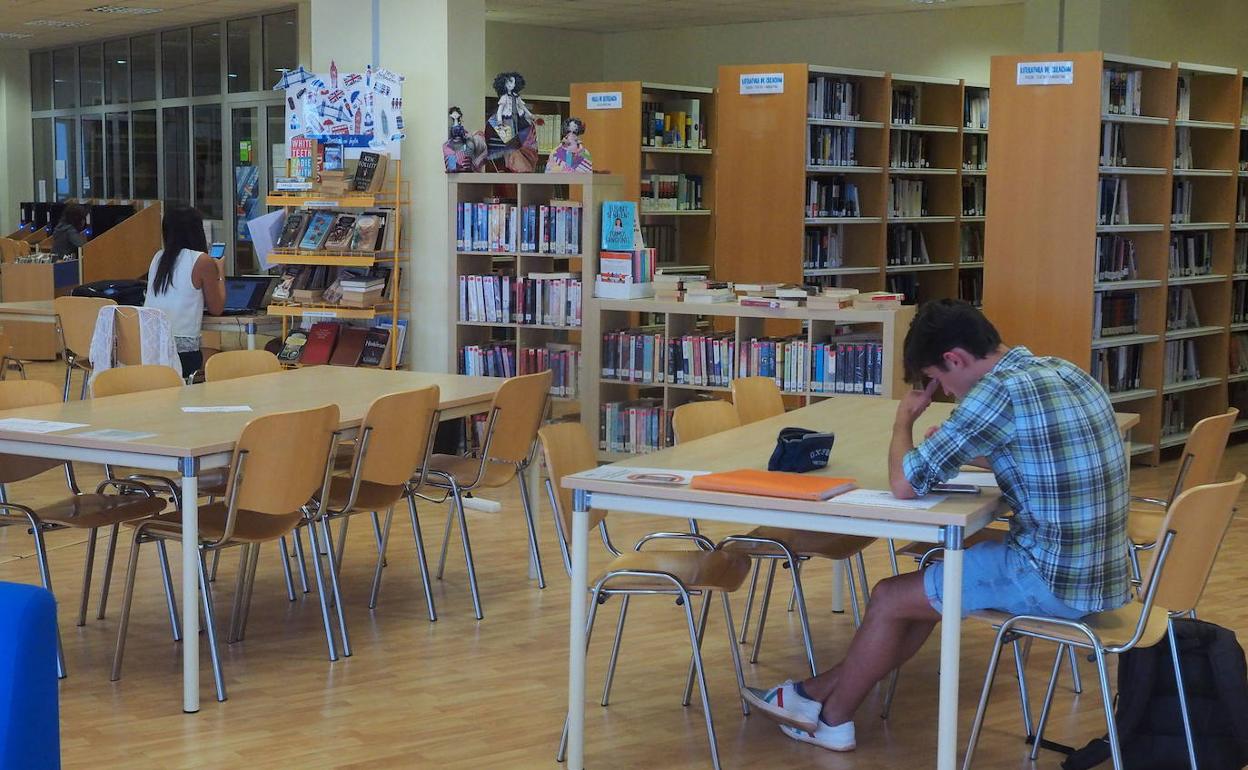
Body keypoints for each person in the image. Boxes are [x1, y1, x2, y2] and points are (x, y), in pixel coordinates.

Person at [744, 298, 1131, 752]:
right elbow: (1038, 448)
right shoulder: (1063, 370)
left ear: (955, 359)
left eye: (939, 380)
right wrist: (972, 447)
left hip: (1050, 580)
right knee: (930, 576)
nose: (945, 393)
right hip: (1104, 573)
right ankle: (813, 693)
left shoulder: (995, 392)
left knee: (890, 597)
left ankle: (831, 719)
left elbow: (903, 485)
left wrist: (903, 420)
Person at [144, 206, 224, 377]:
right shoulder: (202, 260)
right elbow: (216, 309)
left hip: (151, 352)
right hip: (182, 357)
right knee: (221, 357)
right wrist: (220, 272)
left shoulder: (158, 258)